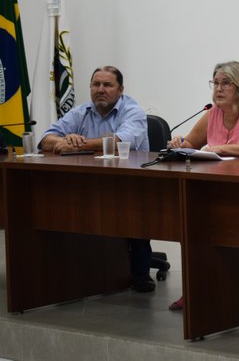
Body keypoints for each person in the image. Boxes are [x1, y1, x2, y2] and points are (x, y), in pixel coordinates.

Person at [167, 60, 239, 310]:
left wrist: (222, 148)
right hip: (217, 188)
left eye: (225, 83)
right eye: (215, 83)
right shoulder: (212, 113)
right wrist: (179, 143)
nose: (218, 88)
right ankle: (197, 290)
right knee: (194, 225)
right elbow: (190, 143)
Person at [39, 66, 154, 292]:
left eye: (107, 85)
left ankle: (140, 273)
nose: (100, 90)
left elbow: (120, 141)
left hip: (131, 183)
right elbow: (45, 139)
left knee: (135, 213)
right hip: (90, 182)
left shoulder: (133, 111)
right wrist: (62, 141)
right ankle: (83, 269)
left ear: (121, 89)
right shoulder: (81, 111)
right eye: (96, 84)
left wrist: (77, 144)